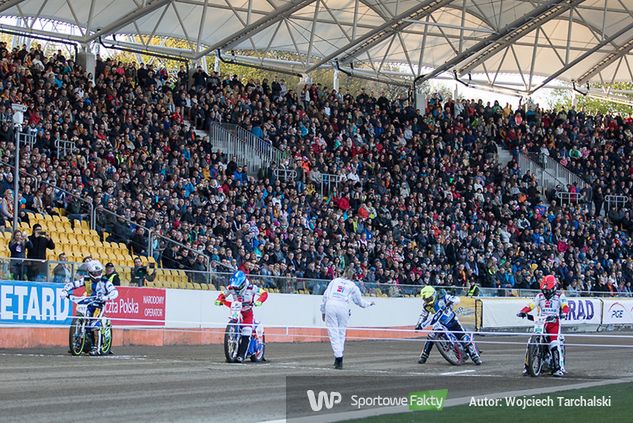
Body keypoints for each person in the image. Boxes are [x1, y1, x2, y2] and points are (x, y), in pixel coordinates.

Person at [320, 267, 375, 369]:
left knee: (333, 333)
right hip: (343, 306)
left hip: (331, 304)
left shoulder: (335, 281)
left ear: (343, 272)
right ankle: (339, 358)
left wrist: (323, 311)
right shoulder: (353, 286)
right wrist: (369, 304)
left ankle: (338, 357)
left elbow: (325, 296)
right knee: (341, 333)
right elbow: (360, 302)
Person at [60, 260, 118, 356]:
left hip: (99, 304)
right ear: (89, 272)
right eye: (94, 273)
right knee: (82, 316)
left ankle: (97, 347)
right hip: (87, 302)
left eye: (98, 272)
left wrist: (106, 297)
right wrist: (64, 290)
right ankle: (78, 343)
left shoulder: (105, 281)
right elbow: (73, 284)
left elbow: (114, 292)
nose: (97, 274)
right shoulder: (86, 280)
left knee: (94, 323)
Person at [517, 275, 569, 377]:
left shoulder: (560, 296)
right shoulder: (539, 296)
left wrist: (565, 313)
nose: (545, 293)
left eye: (547, 290)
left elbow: (565, 306)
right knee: (530, 342)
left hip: (554, 323)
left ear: (554, 288)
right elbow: (531, 305)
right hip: (541, 322)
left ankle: (558, 368)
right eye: (544, 290)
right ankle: (527, 367)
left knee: (554, 343)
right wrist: (523, 311)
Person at [416, 286, 482, 365]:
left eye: (429, 299)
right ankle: (424, 356)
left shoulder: (443, 297)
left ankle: (475, 356)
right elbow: (423, 315)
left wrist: (451, 301)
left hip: (452, 321)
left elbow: (457, 299)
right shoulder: (426, 306)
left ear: (433, 295)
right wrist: (419, 324)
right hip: (439, 323)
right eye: (426, 300)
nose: (427, 301)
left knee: (463, 337)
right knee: (431, 336)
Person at [214, 270, 268, 363]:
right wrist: (219, 299)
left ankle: (241, 355)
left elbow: (264, 293)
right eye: (235, 286)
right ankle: (233, 349)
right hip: (236, 309)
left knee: (246, 331)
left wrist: (259, 301)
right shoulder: (231, 287)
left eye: (238, 286)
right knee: (235, 324)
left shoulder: (252, 288)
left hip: (247, 312)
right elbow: (222, 294)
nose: (236, 289)